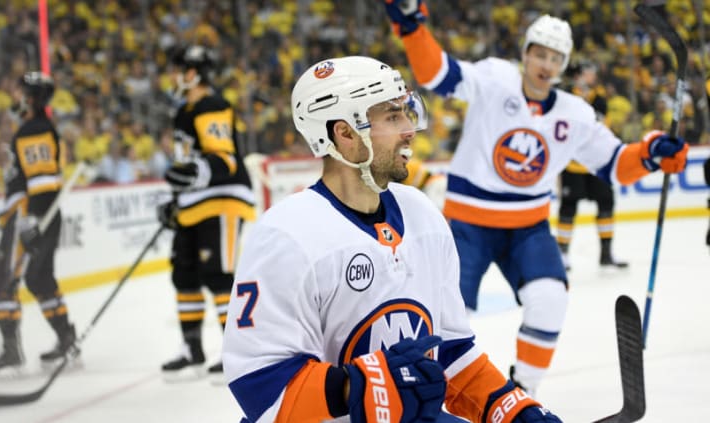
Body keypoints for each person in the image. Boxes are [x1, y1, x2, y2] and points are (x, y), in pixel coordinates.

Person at [223, 56, 562, 423]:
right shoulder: (286, 236)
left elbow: (450, 350)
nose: (409, 128)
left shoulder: (423, 214)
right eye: (391, 116)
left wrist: (510, 408)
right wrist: (355, 387)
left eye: (406, 111)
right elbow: (259, 386)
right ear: (345, 134)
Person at [382, 0, 688, 396]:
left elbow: (615, 163)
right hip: (466, 225)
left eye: (556, 57)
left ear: (564, 65)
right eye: (539, 53)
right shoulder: (495, 78)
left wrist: (651, 154)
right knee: (448, 315)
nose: (546, 63)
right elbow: (438, 73)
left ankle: (523, 391)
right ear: (525, 54)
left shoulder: (575, 113)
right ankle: (433, 393)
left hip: (528, 226)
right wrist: (413, 30)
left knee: (549, 299)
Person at [157, 45, 256, 380]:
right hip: (194, 205)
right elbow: (189, 168)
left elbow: (224, 157)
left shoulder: (212, 105)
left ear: (192, 73)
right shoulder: (183, 110)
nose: (171, 76)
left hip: (223, 200)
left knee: (217, 275)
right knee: (184, 275)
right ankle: (192, 348)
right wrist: (176, 199)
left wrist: (193, 175)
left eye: (177, 69)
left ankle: (237, 352)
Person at [0, 71, 79, 375]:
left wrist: (33, 220)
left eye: (20, 91)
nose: (15, 95)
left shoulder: (34, 130)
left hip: (27, 213)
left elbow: (43, 181)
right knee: (38, 278)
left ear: (32, 98)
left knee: (3, 279)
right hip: (34, 213)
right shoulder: (32, 128)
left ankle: (13, 350)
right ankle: (66, 337)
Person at [557, 62, 627, 270]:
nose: (592, 76)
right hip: (572, 163)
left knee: (606, 203)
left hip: (597, 162)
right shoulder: (566, 96)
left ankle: (606, 253)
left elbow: (596, 122)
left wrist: (585, 98)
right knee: (568, 207)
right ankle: (562, 253)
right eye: (588, 72)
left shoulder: (599, 98)